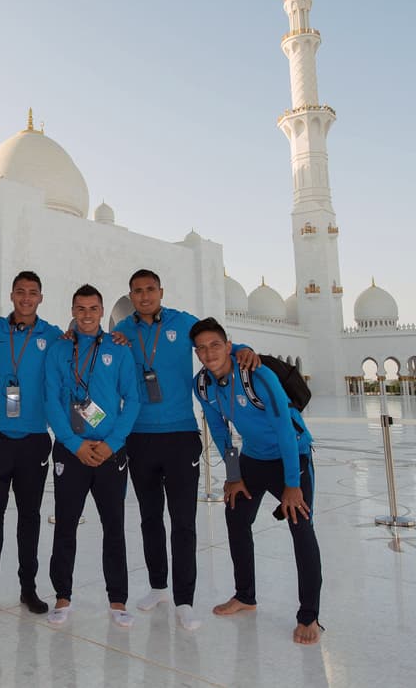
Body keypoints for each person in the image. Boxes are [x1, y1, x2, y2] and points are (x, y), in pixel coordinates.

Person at [112, 269, 259, 630]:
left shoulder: (182, 323)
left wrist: (242, 349)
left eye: (150, 290)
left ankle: (185, 600)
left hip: (180, 436)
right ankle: (158, 586)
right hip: (139, 436)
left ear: (161, 291)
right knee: (149, 518)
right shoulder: (123, 333)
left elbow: (216, 341)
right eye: (137, 291)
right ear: (130, 295)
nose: (144, 296)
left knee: (183, 522)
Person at [189, 317, 323, 645]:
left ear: (228, 345)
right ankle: (245, 596)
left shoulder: (257, 375)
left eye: (215, 345)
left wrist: (292, 485)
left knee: (301, 528)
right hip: (254, 459)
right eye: (202, 348)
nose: (209, 353)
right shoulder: (203, 384)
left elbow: (284, 428)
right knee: (236, 516)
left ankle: (310, 616)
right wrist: (234, 476)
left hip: (292, 456)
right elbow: (220, 431)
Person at [0, 271, 61, 615]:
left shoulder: (51, 335)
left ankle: (28, 589)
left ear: (40, 297)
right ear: (12, 295)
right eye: (20, 292)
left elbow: (82, 346)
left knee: (29, 517)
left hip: (34, 439)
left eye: (32, 293)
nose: (26, 298)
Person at [44, 284, 141, 628]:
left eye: (93, 309)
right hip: (72, 451)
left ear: (102, 312)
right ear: (72, 310)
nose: (87, 315)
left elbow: (134, 400)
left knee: (113, 526)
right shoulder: (59, 350)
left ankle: (118, 600)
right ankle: (62, 596)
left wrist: (112, 443)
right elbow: (51, 400)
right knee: (65, 526)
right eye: (80, 309)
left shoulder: (119, 350)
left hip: (110, 453)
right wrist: (74, 444)